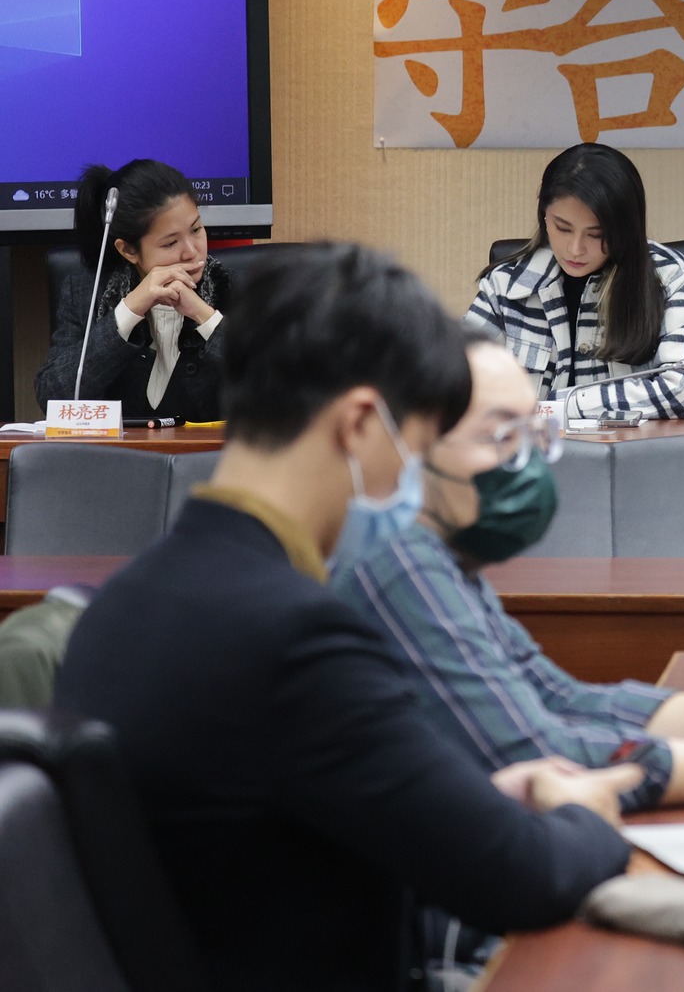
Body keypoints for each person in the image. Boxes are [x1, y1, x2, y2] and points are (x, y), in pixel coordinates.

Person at [55, 243, 642, 992]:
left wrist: (486, 804)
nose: (413, 481)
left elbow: (277, 818)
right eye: (417, 446)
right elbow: (522, 877)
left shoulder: (124, 602)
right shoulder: (294, 634)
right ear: (361, 423)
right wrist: (588, 807)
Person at [332, 331, 684, 811]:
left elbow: (563, 699)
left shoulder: (446, 560)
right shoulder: (397, 563)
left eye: (533, 435)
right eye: (501, 437)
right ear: (410, 447)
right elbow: (539, 754)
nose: (527, 464)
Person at [469, 143, 684, 421]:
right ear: (544, 216)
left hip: (630, 449)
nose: (575, 249)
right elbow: (451, 382)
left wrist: (561, 405)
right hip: (530, 448)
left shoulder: (667, 276)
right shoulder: (506, 285)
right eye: (562, 228)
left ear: (624, 230)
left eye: (596, 235)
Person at [36, 159, 231, 420]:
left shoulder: (236, 287)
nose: (191, 251)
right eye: (170, 243)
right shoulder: (87, 293)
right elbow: (53, 398)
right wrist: (128, 311)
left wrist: (203, 315)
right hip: (121, 448)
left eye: (196, 229)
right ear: (128, 250)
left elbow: (277, 389)